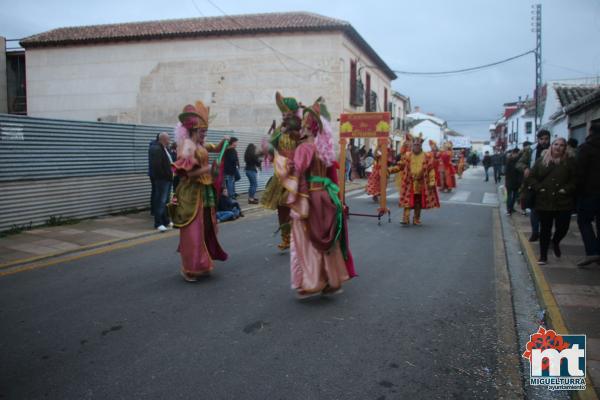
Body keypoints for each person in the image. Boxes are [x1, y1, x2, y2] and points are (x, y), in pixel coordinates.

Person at [279, 97, 356, 298]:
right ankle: (332, 279)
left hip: (310, 198)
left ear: (308, 128)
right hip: (324, 196)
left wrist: (275, 156)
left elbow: (294, 170)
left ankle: (311, 281)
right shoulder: (322, 149)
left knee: (306, 241)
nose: (301, 129)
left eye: (303, 125)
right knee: (324, 241)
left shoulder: (305, 148)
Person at [168, 102, 228, 282]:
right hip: (191, 194)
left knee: (205, 228)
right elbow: (189, 173)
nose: (205, 134)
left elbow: (214, 148)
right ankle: (190, 268)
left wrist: (223, 144)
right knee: (193, 230)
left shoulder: (199, 145)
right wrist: (208, 169)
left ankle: (201, 262)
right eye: (202, 131)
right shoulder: (187, 146)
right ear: (194, 129)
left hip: (203, 192)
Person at [260, 92, 302, 250]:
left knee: (295, 206)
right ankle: (286, 237)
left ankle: (298, 236)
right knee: (281, 207)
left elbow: (306, 148)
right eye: (282, 113)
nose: (284, 116)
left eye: (287, 113)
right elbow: (272, 147)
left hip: (297, 174)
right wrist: (267, 150)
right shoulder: (279, 130)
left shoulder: (300, 130)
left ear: (294, 114)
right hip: (282, 173)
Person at [528, 137, 575, 265]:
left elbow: (575, 180)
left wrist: (566, 189)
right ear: (551, 146)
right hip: (545, 201)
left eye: (561, 145)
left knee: (563, 228)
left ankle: (555, 242)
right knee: (545, 230)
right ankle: (543, 256)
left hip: (563, 202)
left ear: (565, 148)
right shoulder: (541, 161)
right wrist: (539, 188)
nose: (558, 147)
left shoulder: (569, 162)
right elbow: (531, 177)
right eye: (555, 144)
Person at [389, 134, 440, 225]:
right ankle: (405, 218)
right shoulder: (407, 155)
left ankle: (416, 219)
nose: (416, 146)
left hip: (421, 183)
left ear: (420, 146)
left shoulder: (426, 156)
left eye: (418, 145)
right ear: (412, 145)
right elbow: (400, 166)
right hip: (409, 182)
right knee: (407, 201)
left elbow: (430, 169)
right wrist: (389, 170)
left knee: (418, 202)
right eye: (415, 145)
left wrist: (432, 181)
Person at [575, 121, 600, 267]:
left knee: (584, 221)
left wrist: (577, 192)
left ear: (590, 132)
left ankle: (592, 252)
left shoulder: (586, 148)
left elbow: (580, 173)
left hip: (589, 193)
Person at [522, 130, 551, 242]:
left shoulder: (555, 149)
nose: (544, 141)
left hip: (549, 185)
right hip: (533, 184)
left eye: (546, 139)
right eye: (542, 139)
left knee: (547, 213)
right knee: (534, 210)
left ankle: (545, 235)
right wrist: (525, 168)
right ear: (538, 139)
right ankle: (535, 232)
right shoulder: (531, 150)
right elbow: (520, 163)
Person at [149, 132, 174, 231]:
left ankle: (166, 221)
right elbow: (157, 167)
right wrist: (166, 176)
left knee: (166, 201)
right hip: (162, 180)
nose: (169, 140)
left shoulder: (165, 148)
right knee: (160, 201)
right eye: (168, 139)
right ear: (163, 139)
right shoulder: (156, 149)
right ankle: (158, 223)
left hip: (168, 179)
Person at [504, 148, 522, 216]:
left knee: (512, 196)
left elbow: (506, 171)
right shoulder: (517, 161)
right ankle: (509, 209)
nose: (517, 155)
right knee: (511, 196)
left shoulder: (509, 160)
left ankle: (510, 209)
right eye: (517, 153)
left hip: (511, 181)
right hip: (514, 181)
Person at [148, 133, 160, 215]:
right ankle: (155, 210)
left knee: (154, 192)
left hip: (153, 173)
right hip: (156, 174)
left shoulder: (152, 146)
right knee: (156, 192)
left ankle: (153, 210)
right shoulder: (156, 148)